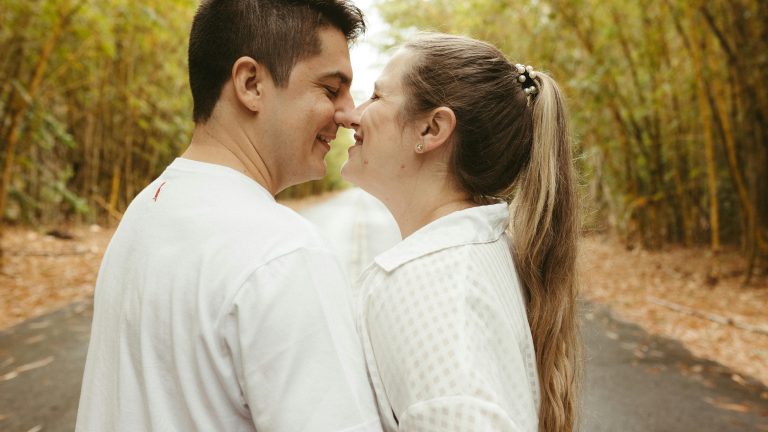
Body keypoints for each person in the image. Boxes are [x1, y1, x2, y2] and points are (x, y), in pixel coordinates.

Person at [76, 1, 382, 431]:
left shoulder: (148, 208)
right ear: (251, 83)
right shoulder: (284, 253)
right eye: (331, 90)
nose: (349, 114)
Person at [338, 33, 581, 432]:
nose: (352, 115)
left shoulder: (428, 286)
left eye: (377, 97)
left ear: (431, 129)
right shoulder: (479, 254)